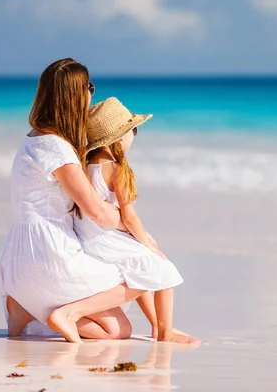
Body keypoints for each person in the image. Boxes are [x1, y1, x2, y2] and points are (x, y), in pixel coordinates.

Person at [0, 58, 135, 341]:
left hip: (20, 255)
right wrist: (130, 223)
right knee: (138, 281)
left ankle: (29, 307)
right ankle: (37, 310)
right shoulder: (57, 148)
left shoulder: (34, 140)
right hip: (49, 254)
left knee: (112, 324)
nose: (90, 95)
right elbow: (95, 210)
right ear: (74, 96)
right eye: (89, 88)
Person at [72, 97, 194, 342]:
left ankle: (157, 327)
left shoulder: (82, 167)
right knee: (164, 270)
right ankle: (165, 331)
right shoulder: (117, 169)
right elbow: (129, 215)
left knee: (142, 265)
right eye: (132, 132)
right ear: (119, 138)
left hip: (86, 238)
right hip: (106, 240)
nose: (133, 138)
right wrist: (150, 245)